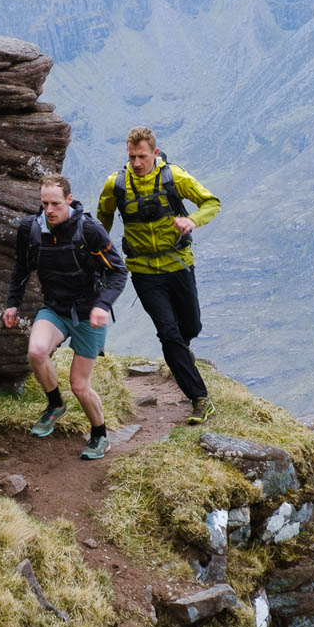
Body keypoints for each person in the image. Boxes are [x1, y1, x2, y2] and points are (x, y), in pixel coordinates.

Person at [97, 126, 221, 425]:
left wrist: (191, 220)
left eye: (141, 156)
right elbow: (103, 218)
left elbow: (211, 202)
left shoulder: (173, 177)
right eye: (131, 157)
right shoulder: (117, 184)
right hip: (143, 271)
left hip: (179, 264)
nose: (136, 163)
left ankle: (182, 351)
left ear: (154, 153)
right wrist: (101, 251)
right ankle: (200, 399)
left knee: (190, 326)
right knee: (168, 333)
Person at [3, 173, 128, 460]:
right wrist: (13, 304)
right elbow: (21, 269)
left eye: (55, 204)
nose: (49, 210)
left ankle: (99, 436)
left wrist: (103, 305)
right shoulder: (30, 229)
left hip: (88, 313)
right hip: (55, 308)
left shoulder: (89, 230)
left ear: (69, 200)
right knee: (36, 351)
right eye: (44, 203)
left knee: (80, 385)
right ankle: (55, 405)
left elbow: (118, 272)